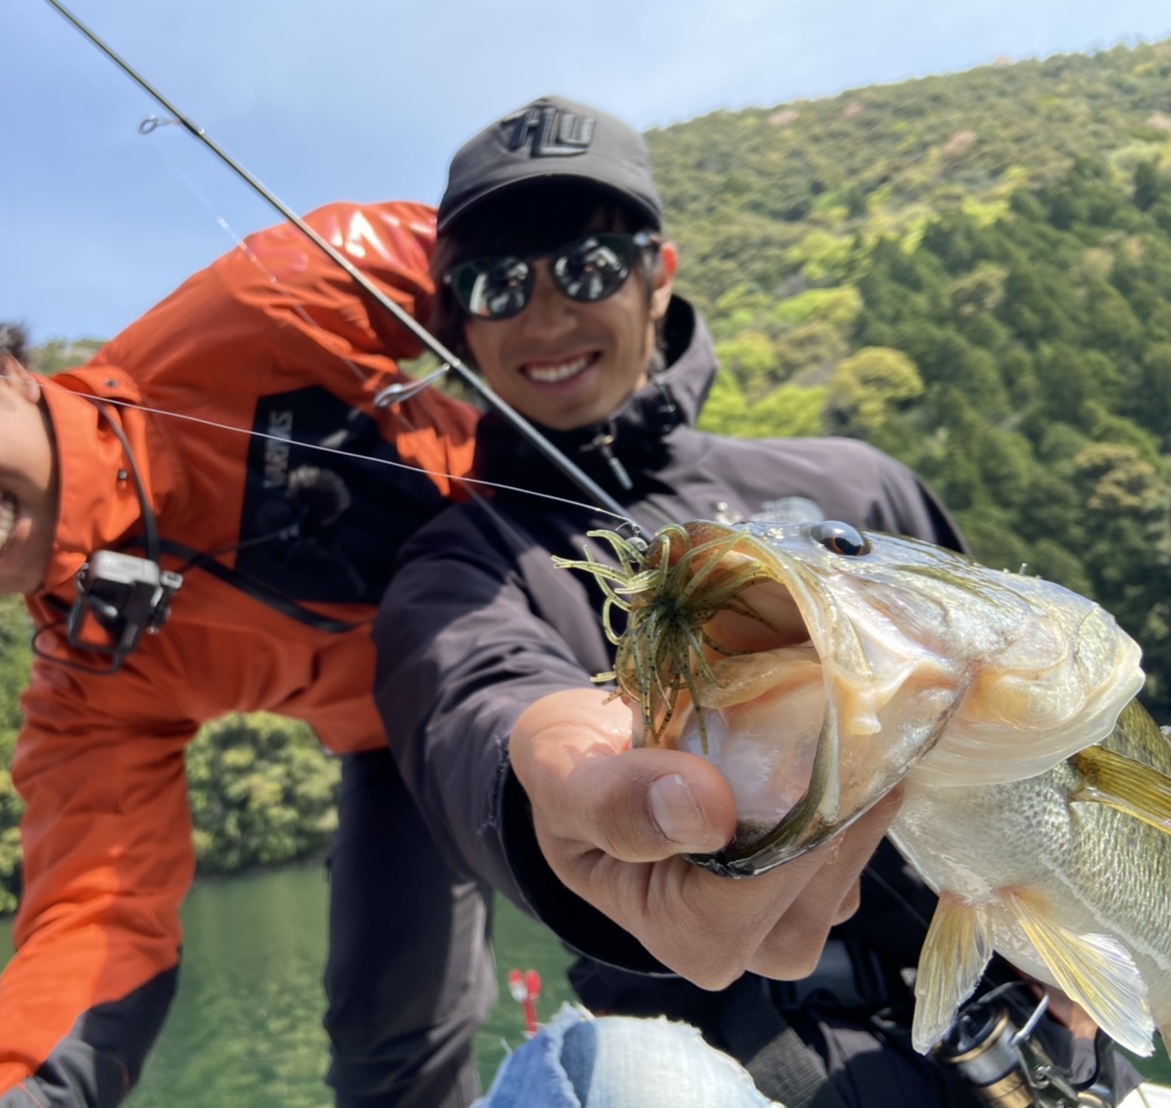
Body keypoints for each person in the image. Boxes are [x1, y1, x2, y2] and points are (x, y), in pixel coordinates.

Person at [372, 95, 1142, 1107]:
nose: (547, 315)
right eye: (496, 283)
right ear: (459, 322)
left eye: (589, 267)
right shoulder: (451, 572)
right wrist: (547, 801)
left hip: (1037, 1047)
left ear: (658, 276)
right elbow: (474, 707)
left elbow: (1047, 704)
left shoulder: (855, 484)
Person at [0, 203, 496, 1108]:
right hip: (400, 742)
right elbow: (97, 915)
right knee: (386, 1055)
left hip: (556, 578)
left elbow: (513, 244)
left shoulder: (256, 311)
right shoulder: (92, 680)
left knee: (605, 887)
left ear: (3, 370)